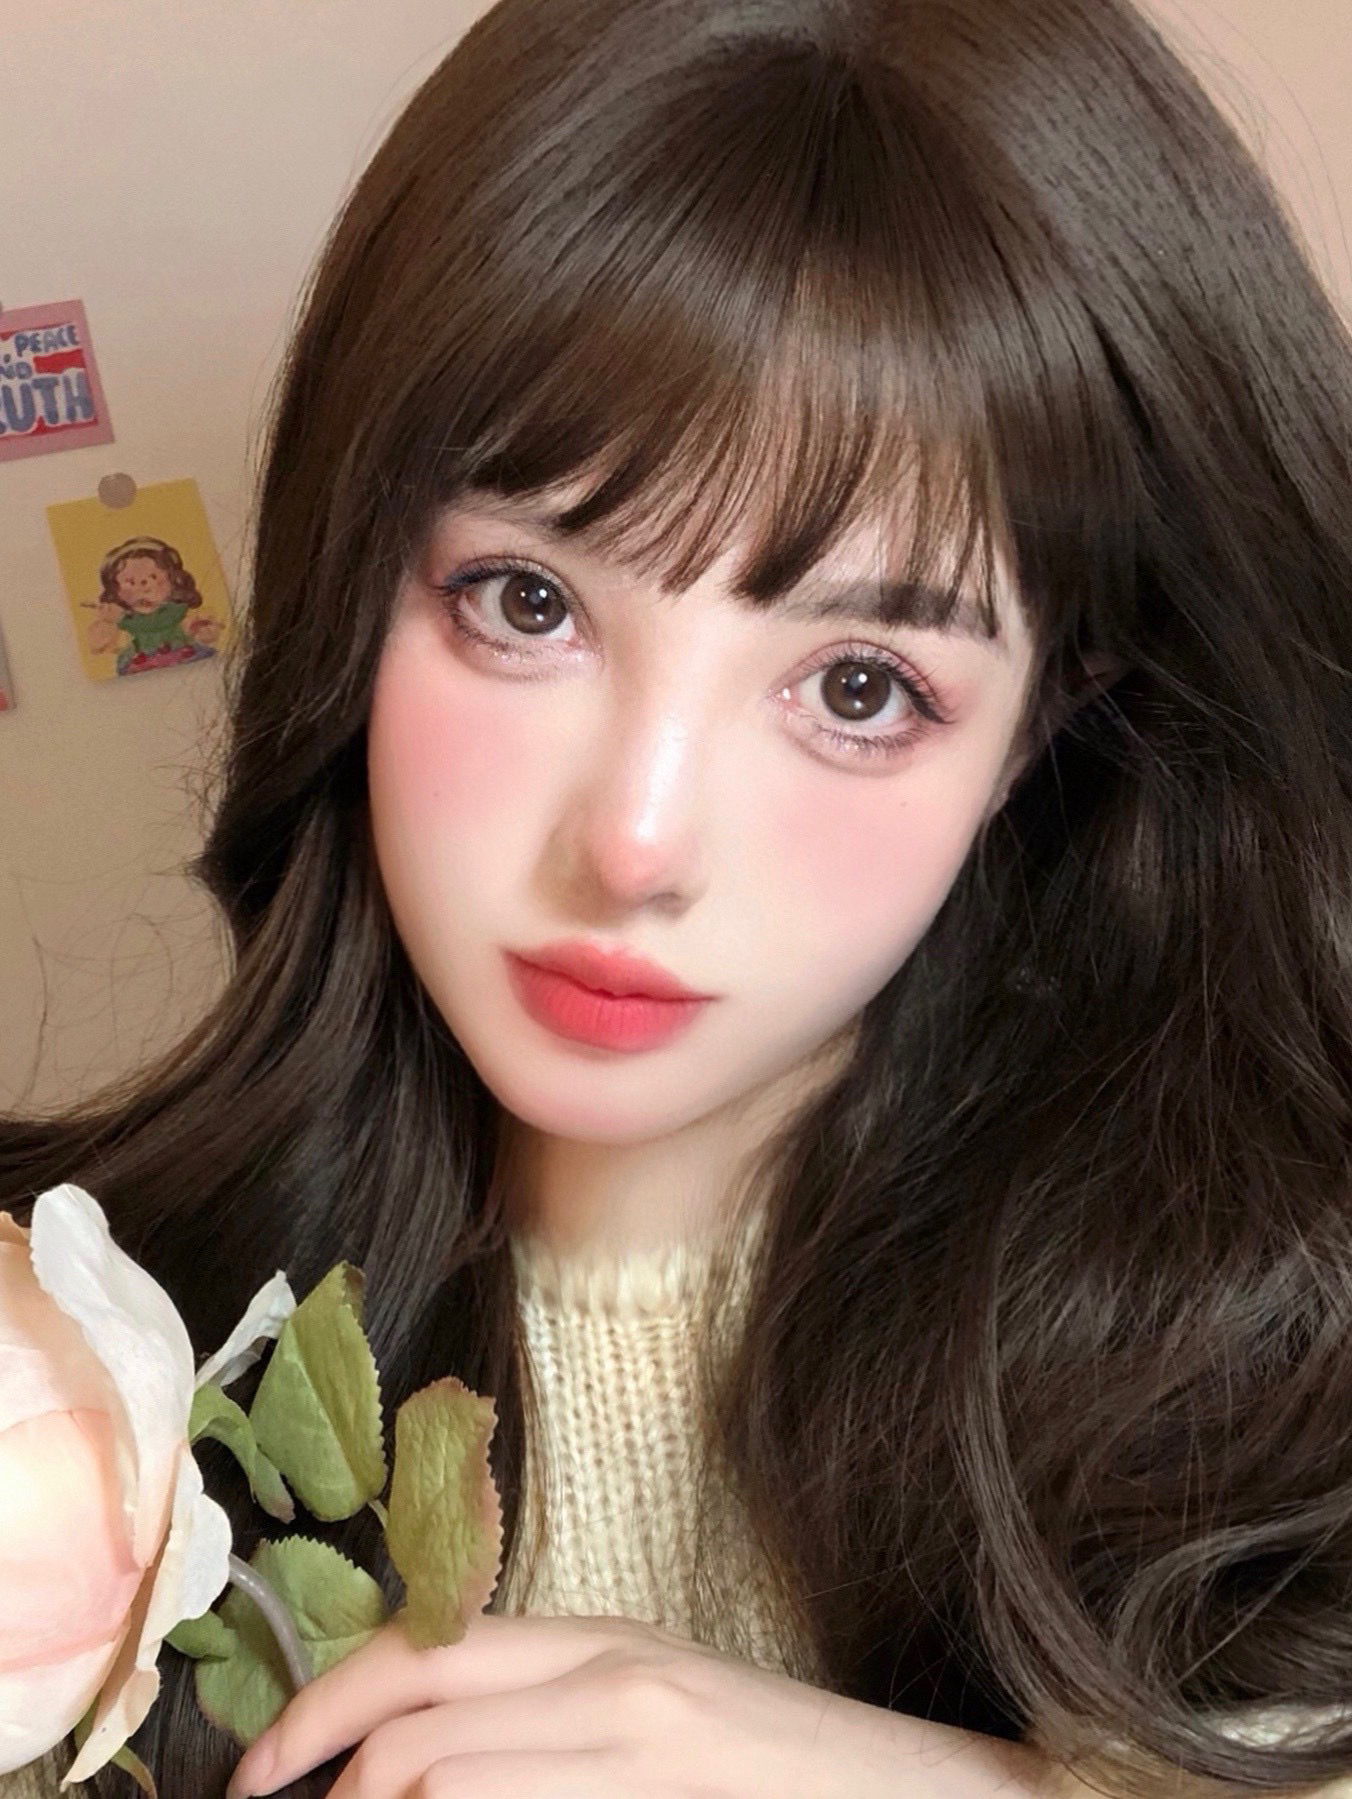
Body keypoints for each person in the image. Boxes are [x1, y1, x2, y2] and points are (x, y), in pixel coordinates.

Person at [6, 0, 1352, 1792]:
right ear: (359, 576)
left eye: (861, 687)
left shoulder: (1278, 1371)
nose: (635, 843)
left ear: (1050, 724)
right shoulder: (64, 1361)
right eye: (527, 603)